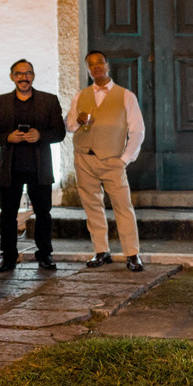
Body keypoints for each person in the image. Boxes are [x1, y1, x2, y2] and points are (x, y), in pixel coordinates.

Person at [65, 50, 145, 272]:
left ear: (108, 65)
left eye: (99, 62)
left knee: (123, 206)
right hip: (84, 157)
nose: (96, 67)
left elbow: (137, 131)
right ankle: (101, 250)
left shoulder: (126, 96)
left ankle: (132, 253)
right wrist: (77, 121)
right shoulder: (80, 96)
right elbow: (69, 126)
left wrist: (125, 159)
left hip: (112, 160)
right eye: (91, 64)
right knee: (92, 206)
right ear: (88, 70)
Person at [0, 59, 66, 272]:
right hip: (10, 168)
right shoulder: (0, 101)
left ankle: (45, 254)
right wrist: (7, 137)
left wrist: (40, 135)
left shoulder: (49, 100)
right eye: (19, 73)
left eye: (28, 73)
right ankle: (8, 256)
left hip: (39, 168)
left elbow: (59, 132)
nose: (24, 77)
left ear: (33, 75)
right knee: (8, 214)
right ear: (12, 76)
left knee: (43, 213)